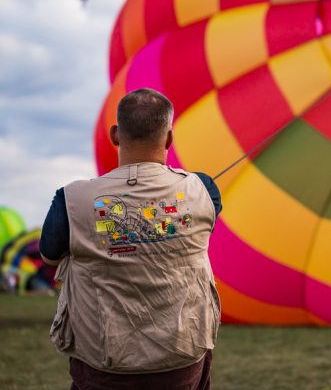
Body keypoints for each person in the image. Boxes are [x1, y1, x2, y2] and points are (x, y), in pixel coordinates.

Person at [40, 88, 222, 390]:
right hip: (182, 359)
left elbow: (49, 255)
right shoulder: (203, 189)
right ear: (169, 138)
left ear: (115, 134)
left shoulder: (71, 199)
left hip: (104, 362)